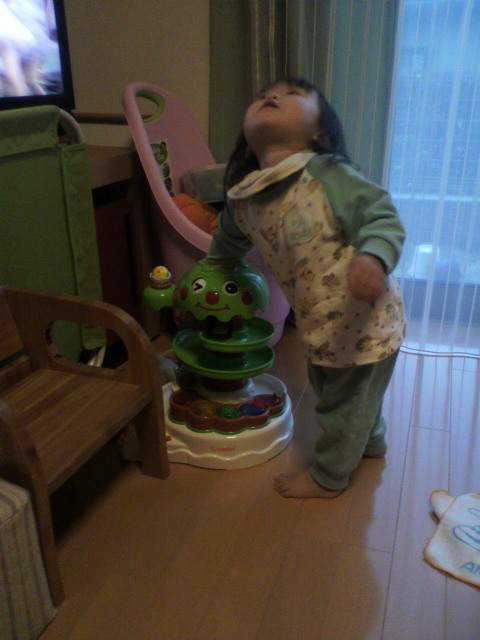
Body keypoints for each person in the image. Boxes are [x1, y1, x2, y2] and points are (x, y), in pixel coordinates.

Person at [206, 77, 406, 499]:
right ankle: (371, 441)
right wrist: (214, 269)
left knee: (339, 406)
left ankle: (329, 477)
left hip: (365, 317)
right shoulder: (244, 198)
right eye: (263, 95)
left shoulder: (327, 173)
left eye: (293, 94)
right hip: (320, 323)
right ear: (247, 147)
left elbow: (381, 216)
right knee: (343, 392)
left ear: (319, 134)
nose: (271, 96)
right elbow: (227, 239)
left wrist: (372, 258)